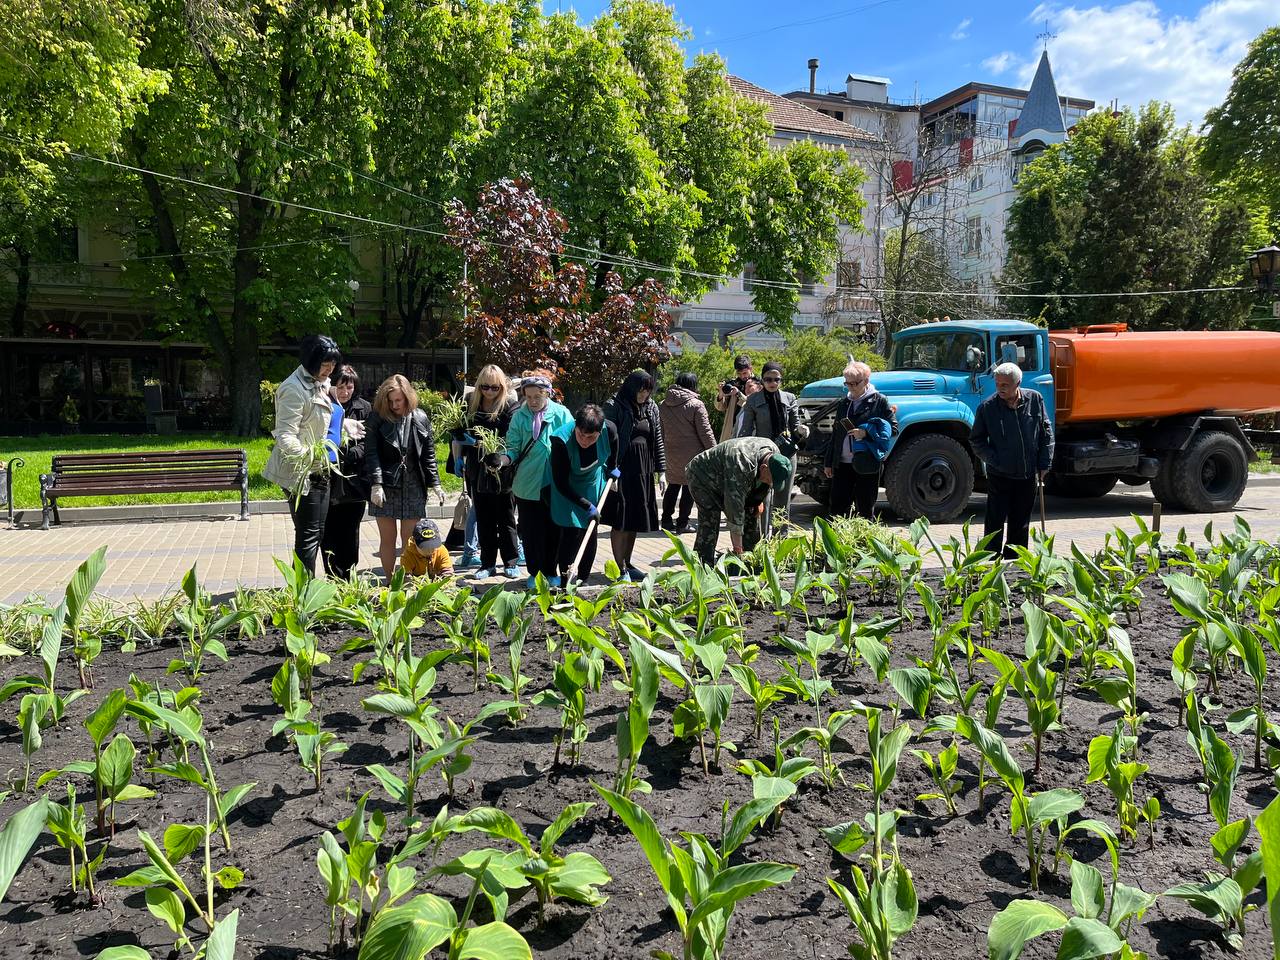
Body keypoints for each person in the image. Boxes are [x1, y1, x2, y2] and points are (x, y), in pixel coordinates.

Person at [262, 334, 344, 575]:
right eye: (325, 364)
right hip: (303, 473)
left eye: (333, 364)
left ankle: (306, 588)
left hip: (321, 471)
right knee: (308, 536)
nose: (330, 370)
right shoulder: (293, 388)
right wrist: (312, 457)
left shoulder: (322, 383)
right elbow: (285, 436)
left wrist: (345, 427)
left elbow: (324, 421)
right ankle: (302, 594)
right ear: (310, 361)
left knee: (317, 532)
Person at [970, 361, 1054, 558]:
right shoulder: (987, 408)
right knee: (995, 520)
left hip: (1027, 472)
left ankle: (1015, 558)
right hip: (1000, 474)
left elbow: (1046, 433)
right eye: (998, 384)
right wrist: (995, 460)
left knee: (1021, 519)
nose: (1000, 388)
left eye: (1005, 385)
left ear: (1018, 383)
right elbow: (976, 440)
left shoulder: (1035, 399)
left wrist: (1045, 463)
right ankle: (989, 557)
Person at [365, 374, 446, 579]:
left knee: (410, 540)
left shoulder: (420, 417)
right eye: (390, 401)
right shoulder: (376, 417)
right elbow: (371, 453)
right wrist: (376, 483)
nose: (394, 405)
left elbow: (429, 454)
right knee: (387, 538)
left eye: (398, 400)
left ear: (408, 397)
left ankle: (408, 580)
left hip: (413, 483)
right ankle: (390, 580)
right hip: (385, 483)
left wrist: (435, 484)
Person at [501, 369, 572, 589]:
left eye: (537, 396)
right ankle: (534, 572)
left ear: (547, 394)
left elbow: (573, 443)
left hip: (555, 483)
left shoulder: (562, 414)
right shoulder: (518, 417)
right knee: (531, 531)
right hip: (527, 483)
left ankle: (551, 571)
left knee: (554, 530)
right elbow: (512, 447)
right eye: (528, 396)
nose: (532, 401)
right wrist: (503, 460)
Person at [455, 365, 522, 580]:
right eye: (485, 387)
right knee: (484, 518)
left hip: (501, 468)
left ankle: (511, 561)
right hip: (477, 468)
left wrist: (479, 443)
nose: (490, 392)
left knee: (506, 518)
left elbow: (508, 440)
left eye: (494, 387)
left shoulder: (509, 407)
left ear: (501, 386)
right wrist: (458, 457)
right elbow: (457, 433)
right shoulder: (470, 404)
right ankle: (487, 563)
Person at [686, 437, 792, 567]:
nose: (770, 484)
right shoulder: (741, 464)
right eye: (770, 480)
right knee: (710, 523)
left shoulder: (775, 454)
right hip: (702, 476)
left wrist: (758, 500)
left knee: (751, 516)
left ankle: (751, 561)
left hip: (729, 475)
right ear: (764, 468)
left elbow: (760, 486)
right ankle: (701, 567)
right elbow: (735, 510)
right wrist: (738, 550)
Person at [602, 369, 666, 582]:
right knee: (620, 519)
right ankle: (618, 568)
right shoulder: (614, 405)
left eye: (647, 391)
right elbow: (607, 441)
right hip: (622, 469)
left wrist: (662, 471)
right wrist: (611, 470)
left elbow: (657, 439)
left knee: (635, 519)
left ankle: (628, 564)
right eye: (641, 391)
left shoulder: (651, 407)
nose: (644, 395)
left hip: (643, 468)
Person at [550, 404, 618, 585]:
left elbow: (615, 444)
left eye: (591, 437)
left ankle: (584, 579)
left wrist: (613, 467)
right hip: (567, 488)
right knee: (571, 532)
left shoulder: (608, 429)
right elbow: (561, 483)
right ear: (575, 427)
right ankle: (566, 582)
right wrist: (587, 505)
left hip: (591, 482)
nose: (585, 441)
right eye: (581, 435)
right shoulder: (561, 441)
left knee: (590, 530)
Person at [736, 361, 806, 533]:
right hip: (764, 456)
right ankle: (762, 539)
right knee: (763, 498)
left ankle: (781, 539)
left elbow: (795, 426)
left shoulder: (790, 398)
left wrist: (802, 430)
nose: (772, 383)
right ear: (762, 380)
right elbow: (745, 431)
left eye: (776, 379)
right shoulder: (753, 400)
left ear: (781, 380)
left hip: (786, 455)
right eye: (768, 379)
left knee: (783, 500)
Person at [823, 361, 894, 521]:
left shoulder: (880, 401)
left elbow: (892, 428)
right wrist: (829, 461)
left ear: (866, 381)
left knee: (865, 508)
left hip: (866, 461)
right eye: (847, 383)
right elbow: (836, 434)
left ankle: (864, 543)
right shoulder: (844, 403)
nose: (851, 387)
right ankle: (836, 543)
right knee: (837, 509)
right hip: (842, 462)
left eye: (855, 383)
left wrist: (866, 433)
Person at [321, 365, 371, 578]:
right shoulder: (324, 407)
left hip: (354, 481)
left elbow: (369, 440)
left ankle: (349, 575)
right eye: (340, 387)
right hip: (328, 478)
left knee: (350, 531)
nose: (345, 392)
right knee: (329, 531)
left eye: (349, 387)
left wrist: (352, 452)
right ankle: (332, 575)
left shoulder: (364, 408)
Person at [659, 372, 715, 533]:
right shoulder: (696, 405)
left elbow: (661, 430)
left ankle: (666, 521)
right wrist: (713, 451)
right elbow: (705, 432)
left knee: (673, 485)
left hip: (671, 451)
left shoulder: (663, 404)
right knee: (689, 488)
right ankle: (683, 523)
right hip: (693, 453)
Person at [714, 355, 755, 442]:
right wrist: (721, 393)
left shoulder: (757, 384)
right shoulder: (733, 384)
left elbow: (753, 405)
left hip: (748, 429)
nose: (742, 376)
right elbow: (720, 407)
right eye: (739, 374)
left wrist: (738, 394)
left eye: (744, 373)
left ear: (750, 369)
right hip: (731, 429)